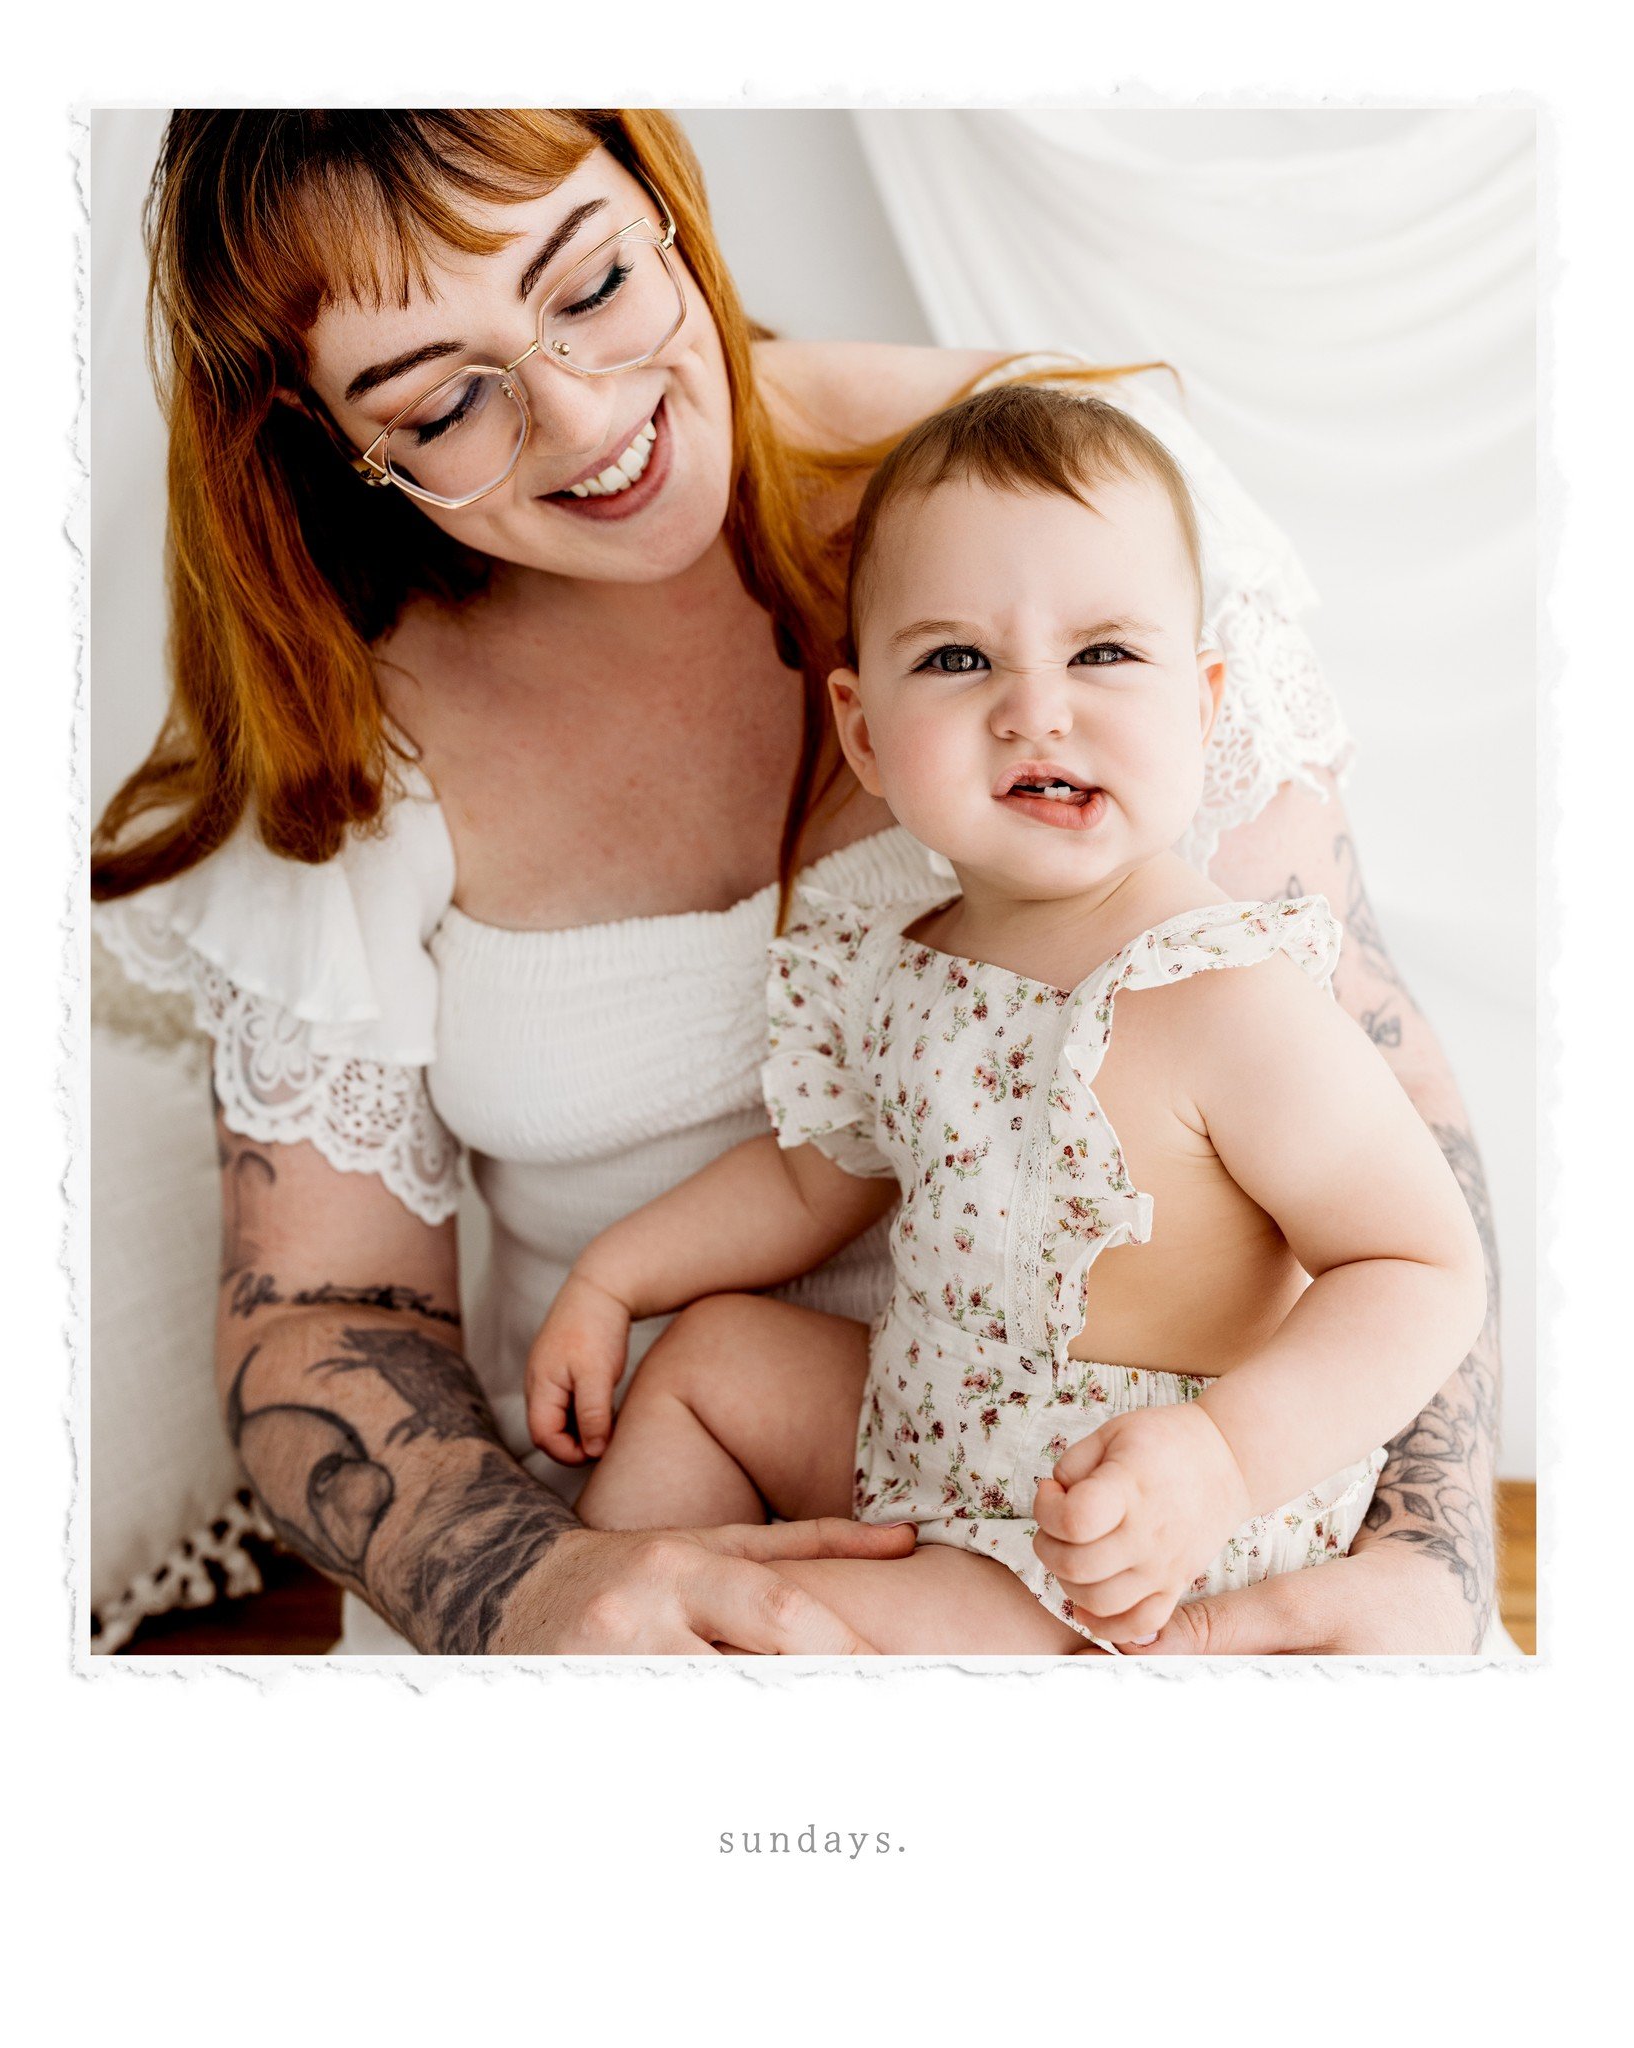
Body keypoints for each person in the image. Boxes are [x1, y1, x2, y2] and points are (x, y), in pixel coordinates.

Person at [91, 109, 1502, 1655]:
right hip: (681, 1518)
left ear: (666, 200)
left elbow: (1376, 1110)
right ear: (326, 433)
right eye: (441, 405)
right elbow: (327, 1310)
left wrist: (1420, 1566)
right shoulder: (343, 722)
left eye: (593, 285)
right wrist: (542, 1587)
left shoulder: (1064, 514)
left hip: (1138, 1517)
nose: (577, 416)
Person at [526, 384, 1489, 1653]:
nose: (1037, 707)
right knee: (705, 1362)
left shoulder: (1223, 986)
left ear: (1202, 707)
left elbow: (1421, 1267)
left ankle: (707, 1673)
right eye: (958, 658)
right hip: (926, 1428)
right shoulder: (894, 964)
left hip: (1117, 1535)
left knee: (796, 1633)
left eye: (1103, 653)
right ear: (864, 731)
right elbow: (817, 1184)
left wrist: (1218, 1459)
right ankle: (605, 1649)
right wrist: (615, 1276)